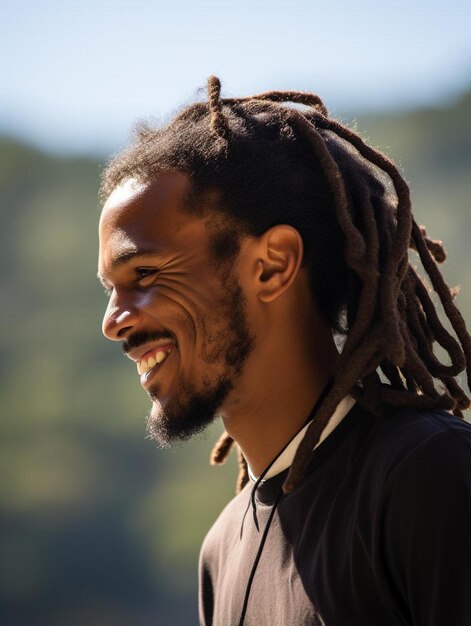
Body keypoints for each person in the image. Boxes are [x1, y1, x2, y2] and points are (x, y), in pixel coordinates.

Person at [97, 76, 471, 626]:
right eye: (110, 289)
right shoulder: (220, 551)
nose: (112, 323)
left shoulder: (429, 476)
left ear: (272, 265)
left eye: (146, 273)